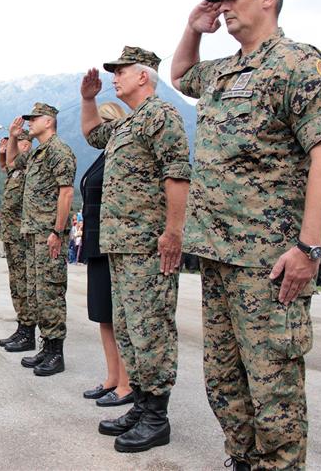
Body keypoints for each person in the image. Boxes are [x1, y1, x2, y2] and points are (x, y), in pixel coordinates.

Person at [171, 0, 321, 469]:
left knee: (274, 392)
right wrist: (193, 29)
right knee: (224, 382)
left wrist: (309, 249)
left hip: (270, 265)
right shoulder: (224, 70)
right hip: (218, 256)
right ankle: (242, 460)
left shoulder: (297, 63)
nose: (223, 6)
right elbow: (181, 74)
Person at [84, 48, 191, 453]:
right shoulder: (128, 125)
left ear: (143, 76)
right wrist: (88, 99)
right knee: (129, 330)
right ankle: (141, 406)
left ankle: (156, 418)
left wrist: (173, 232)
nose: (115, 77)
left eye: (120, 71)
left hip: (148, 245)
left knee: (152, 330)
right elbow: (94, 134)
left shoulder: (161, 116)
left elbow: (177, 173)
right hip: (121, 246)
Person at [6, 103, 76, 376]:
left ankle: (56, 353)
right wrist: (13, 137)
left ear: (48, 122)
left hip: (49, 233)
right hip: (33, 233)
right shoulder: (37, 153)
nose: (29, 124)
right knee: (37, 292)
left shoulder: (59, 151)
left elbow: (66, 193)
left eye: (33, 120)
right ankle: (46, 347)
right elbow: (12, 163)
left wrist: (57, 231)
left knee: (51, 291)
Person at [79, 102, 135, 410]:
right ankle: (112, 377)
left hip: (113, 242)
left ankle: (127, 384)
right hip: (96, 242)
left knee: (118, 315)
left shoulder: (122, 153)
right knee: (103, 315)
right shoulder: (106, 154)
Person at [0, 130, 37, 353]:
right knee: (16, 284)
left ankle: (28, 331)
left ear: (27, 145)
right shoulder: (16, 171)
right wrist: (2, 155)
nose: (17, 147)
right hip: (11, 235)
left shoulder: (29, 167)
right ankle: (22, 327)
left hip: (22, 237)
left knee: (24, 284)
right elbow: (6, 167)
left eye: (19, 142)